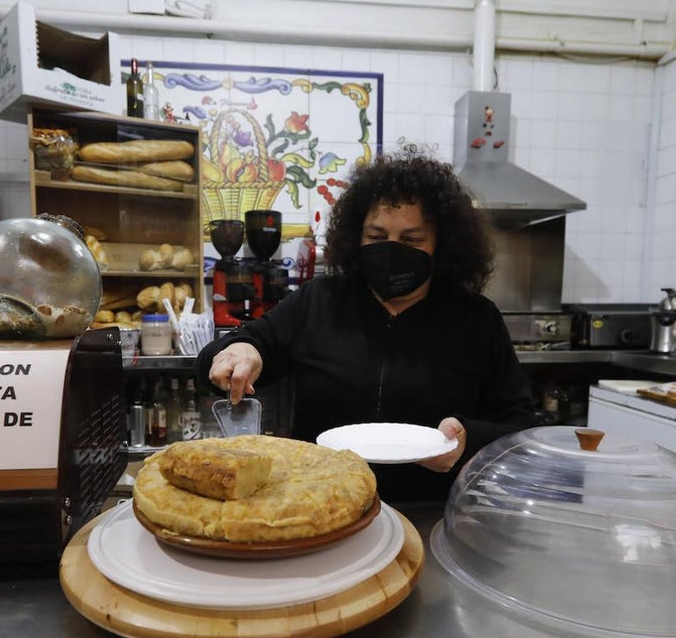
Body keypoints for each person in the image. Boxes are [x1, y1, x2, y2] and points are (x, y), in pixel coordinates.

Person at [198, 153, 536, 502]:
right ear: (356, 237)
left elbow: (521, 425)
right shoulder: (318, 301)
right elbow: (237, 352)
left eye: (412, 239)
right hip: (317, 507)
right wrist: (241, 349)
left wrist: (468, 439)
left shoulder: (477, 320)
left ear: (442, 243)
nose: (391, 250)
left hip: (429, 512)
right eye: (376, 236)